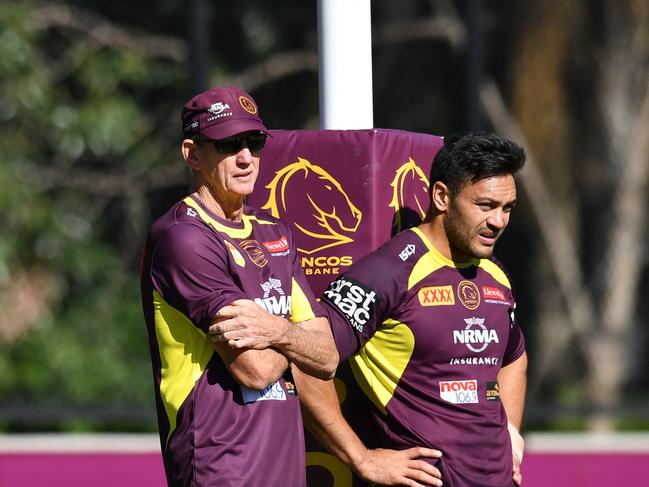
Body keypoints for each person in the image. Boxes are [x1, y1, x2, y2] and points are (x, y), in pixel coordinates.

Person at [293, 132, 528, 487]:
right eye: (485, 206)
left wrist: (510, 434)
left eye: (506, 208)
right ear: (441, 196)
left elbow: (514, 355)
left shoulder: (495, 273)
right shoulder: (390, 272)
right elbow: (307, 360)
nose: (498, 221)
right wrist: (362, 458)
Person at [140, 85, 338, 487]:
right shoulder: (183, 238)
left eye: (254, 142)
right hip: (222, 469)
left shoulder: (275, 232)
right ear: (192, 154)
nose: (246, 157)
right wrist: (297, 335)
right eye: (228, 144)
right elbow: (256, 369)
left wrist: (274, 329)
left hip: (282, 467)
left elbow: (328, 355)